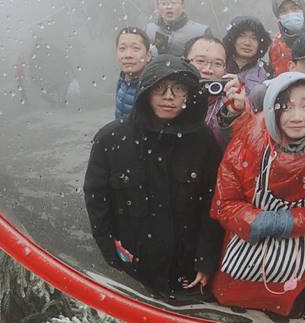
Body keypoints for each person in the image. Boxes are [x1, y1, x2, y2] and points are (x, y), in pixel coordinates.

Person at [210, 72, 305, 317]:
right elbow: (225, 202)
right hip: (242, 259)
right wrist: (257, 221)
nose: (297, 117)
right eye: (285, 107)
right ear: (271, 107)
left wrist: (288, 222)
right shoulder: (250, 138)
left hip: (299, 263)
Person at [83, 54, 223, 300]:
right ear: (145, 92)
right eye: (159, 87)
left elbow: (212, 203)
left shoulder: (203, 141)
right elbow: (96, 198)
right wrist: (110, 250)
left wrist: (205, 259)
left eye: (178, 88)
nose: (169, 96)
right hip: (131, 266)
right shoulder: (111, 139)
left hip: (184, 267)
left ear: (190, 94)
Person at [184, 35, 245, 149]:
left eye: (217, 63)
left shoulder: (231, 101)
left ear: (225, 69)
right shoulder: (169, 94)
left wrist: (235, 114)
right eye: (200, 61)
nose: (208, 69)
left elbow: (240, 147)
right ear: (184, 62)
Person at [146, 0, 210, 57]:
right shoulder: (149, 30)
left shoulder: (200, 32)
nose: (168, 6)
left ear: (183, 7)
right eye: (163, 3)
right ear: (157, 8)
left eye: (173, 2)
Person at [222, 16, 272, 95]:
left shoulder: (267, 71)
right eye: (242, 36)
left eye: (254, 38)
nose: (247, 43)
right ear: (233, 39)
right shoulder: (220, 64)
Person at [114, 27, 152, 120]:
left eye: (136, 48)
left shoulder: (154, 87)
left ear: (148, 55)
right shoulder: (122, 80)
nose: (128, 55)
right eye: (122, 48)